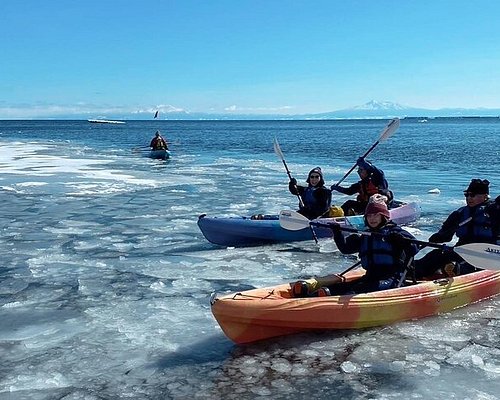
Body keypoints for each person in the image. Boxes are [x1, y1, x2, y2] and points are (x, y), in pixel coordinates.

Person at [292, 196, 419, 297]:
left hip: (393, 279)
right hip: (370, 276)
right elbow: (346, 249)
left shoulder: (395, 232)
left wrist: (402, 241)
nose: (372, 218)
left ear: (384, 216)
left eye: (376, 215)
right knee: (336, 289)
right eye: (369, 215)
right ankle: (311, 298)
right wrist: (337, 233)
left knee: (358, 290)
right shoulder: (366, 234)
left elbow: (414, 248)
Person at [414, 179, 500, 278]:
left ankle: (456, 270)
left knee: (466, 265)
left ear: (485, 196)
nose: (469, 198)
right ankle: (411, 273)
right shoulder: (460, 213)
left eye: (472, 195)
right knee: (436, 255)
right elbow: (445, 237)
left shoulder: (495, 211)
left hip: (490, 254)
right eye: (466, 195)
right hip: (463, 250)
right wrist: (437, 237)